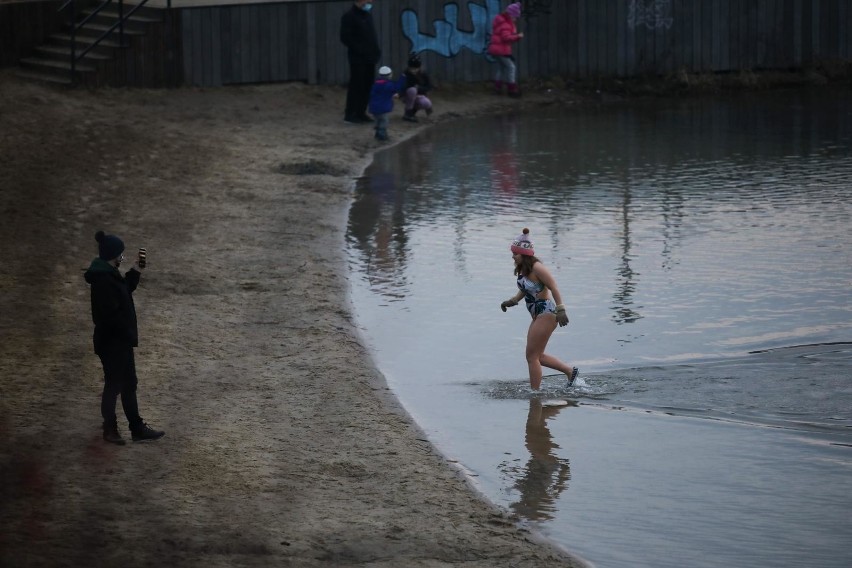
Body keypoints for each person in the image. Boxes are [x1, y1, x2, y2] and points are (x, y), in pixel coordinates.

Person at [84, 230, 165, 445]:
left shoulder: (109, 274)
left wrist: (136, 270)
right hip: (112, 343)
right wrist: (126, 332)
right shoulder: (103, 280)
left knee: (129, 384)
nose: (123, 258)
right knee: (114, 385)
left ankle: (136, 428)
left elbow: (124, 290)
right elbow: (110, 315)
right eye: (121, 254)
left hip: (120, 341)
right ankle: (110, 430)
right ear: (113, 256)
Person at [500, 228, 578, 390]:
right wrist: (512, 301)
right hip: (537, 316)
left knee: (531, 357)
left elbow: (554, 287)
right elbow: (526, 289)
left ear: (525, 254)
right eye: (513, 253)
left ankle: (535, 394)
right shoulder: (524, 269)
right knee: (537, 356)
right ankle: (570, 372)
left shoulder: (537, 268)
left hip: (547, 314)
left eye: (515, 253)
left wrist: (561, 309)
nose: (512, 256)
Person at [340, 0, 381, 124]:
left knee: (367, 85)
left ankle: (361, 112)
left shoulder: (367, 15)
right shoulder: (349, 16)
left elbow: (371, 35)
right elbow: (345, 37)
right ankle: (350, 113)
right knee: (357, 85)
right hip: (357, 58)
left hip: (370, 57)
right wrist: (360, 49)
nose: (370, 2)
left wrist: (375, 51)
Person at [487, 2, 524, 97]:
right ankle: (512, 89)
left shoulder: (501, 21)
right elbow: (506, 38)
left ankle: (497, 88)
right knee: (511, 67)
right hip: (501, 50)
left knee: (501, 68)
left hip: (496, 49)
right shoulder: (506, 24)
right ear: (510, 15)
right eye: (515, 17)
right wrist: (517, 36)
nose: (515, 20)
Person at [368, 65, 403, 141]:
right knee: (384, 120)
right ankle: (382, 133)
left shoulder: (375, 84)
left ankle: (377, 132)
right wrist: (402, 79)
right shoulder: (388, 85)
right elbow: (396, 88)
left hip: (373, 107)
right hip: (383, 107)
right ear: (389, 75)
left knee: (377, 119)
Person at [400, 52, 433, 123]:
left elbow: (429, 86)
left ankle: (413, 112)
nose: (413, 70)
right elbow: (401, 86)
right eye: (412, 68)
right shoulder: (405, 74)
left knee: (426, 103)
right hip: (407, 95)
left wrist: (420, 89)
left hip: (420, 95)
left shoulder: (423, 74)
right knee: (412, 90)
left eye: (416, 69)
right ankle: (408, 112)